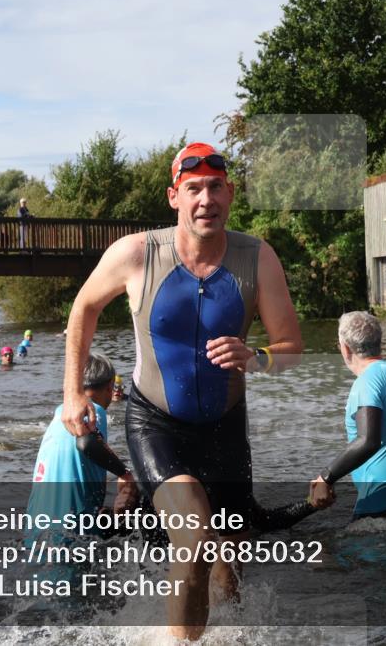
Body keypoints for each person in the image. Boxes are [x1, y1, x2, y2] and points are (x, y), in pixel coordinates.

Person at [60, 141, 303, 640]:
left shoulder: (257, 258)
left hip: (226, 428)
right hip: (157, 424)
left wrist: (257, 357)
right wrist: (73, 392)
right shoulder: (136, 254)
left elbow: (292, 348)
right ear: (175, 196)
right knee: (193, 539)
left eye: (215, 188)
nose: (205, 199)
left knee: (228, 565)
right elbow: (82, 308)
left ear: (230, 194)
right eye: (193, 189)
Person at [309, 311, 386, 520]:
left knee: (325, 552)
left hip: (382, 501)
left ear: (345, 348)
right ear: (379, 343)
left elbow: (368, 441)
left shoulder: (367, 381)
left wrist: (326, 477)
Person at [26, 353, 137, 526]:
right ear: (110, 386)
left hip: (35, 528)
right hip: (71, 531)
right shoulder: (93, 409)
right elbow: (86, 443)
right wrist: (125, 474)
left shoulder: (61, 414)